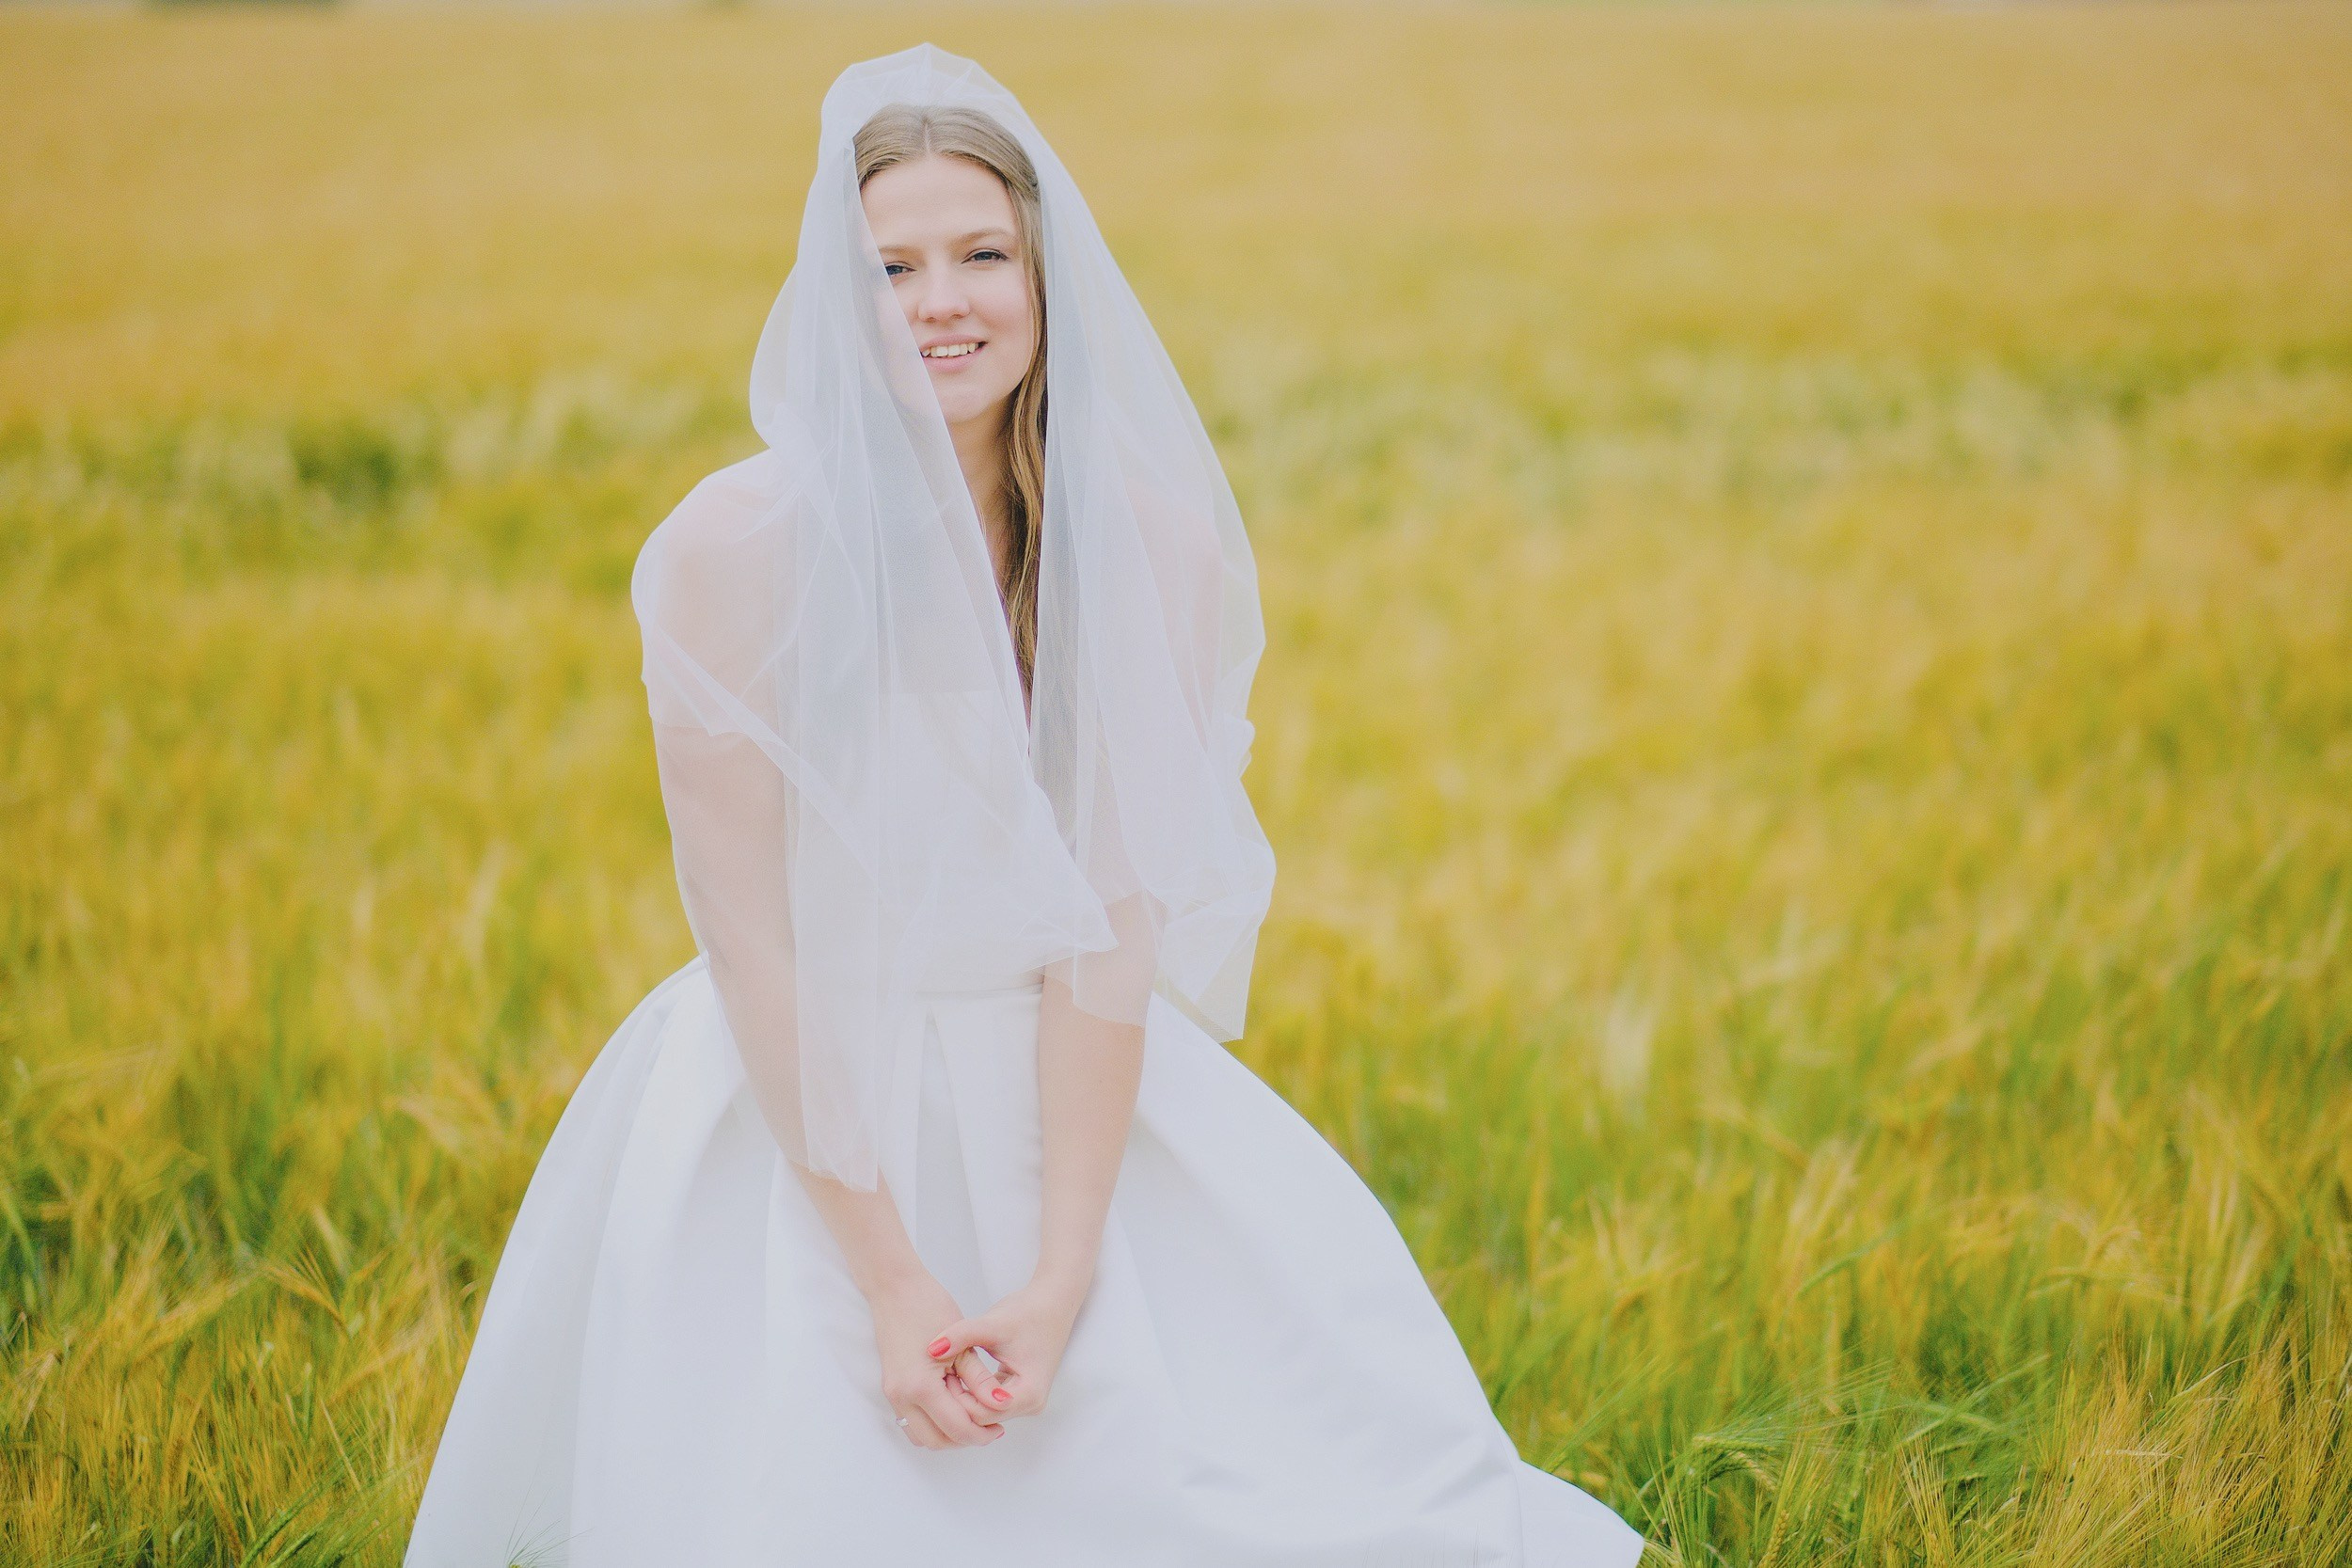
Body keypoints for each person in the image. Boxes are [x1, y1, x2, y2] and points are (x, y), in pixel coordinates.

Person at [403, 43, 1646, 1568]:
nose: (944, 299)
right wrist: (894, 1278)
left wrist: (1065, 1271)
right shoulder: (732, 555)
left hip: (1071, 1072)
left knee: (1281, 1496)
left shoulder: (1148, 550)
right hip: (802, 1097)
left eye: (984, 253)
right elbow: (749, 943)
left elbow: (1108, 932)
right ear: (834, 298)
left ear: (1047, 278)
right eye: (895, 265)